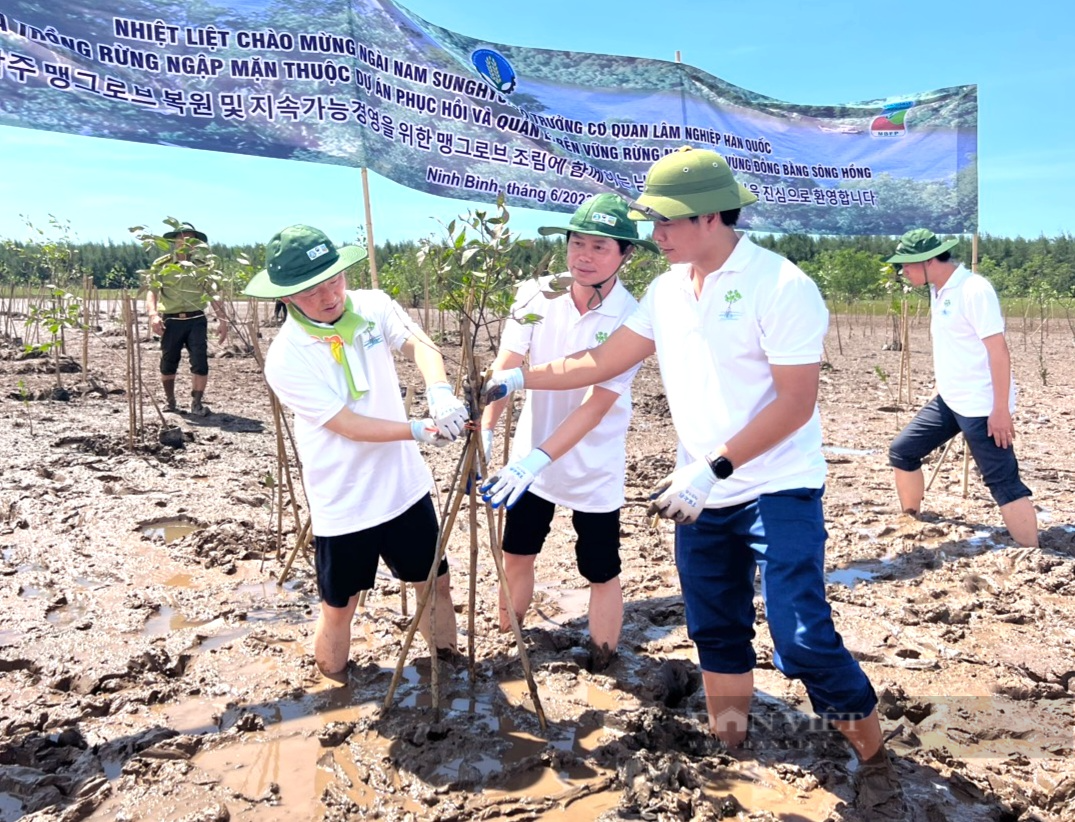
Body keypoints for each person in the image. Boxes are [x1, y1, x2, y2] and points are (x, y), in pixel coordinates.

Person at [483, 147, 904, 816]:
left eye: (665, 224)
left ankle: (874, 756)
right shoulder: (666, 290)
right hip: (699, 494)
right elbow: (600, 360)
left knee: (799, 635)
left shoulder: (782, 285)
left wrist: (712, 469)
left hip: (776, 487)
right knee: (714, 626)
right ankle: (733, 750)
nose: (653, 237)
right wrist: (519, 377)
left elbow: (794, 403)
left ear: (710, 217)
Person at [243, 224, 467, 680]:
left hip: (402, 487)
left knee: (434, 584)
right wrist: (417, 429)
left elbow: (417, 344)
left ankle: (450, 670)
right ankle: (332, 685)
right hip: (343, 499)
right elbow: (347, 425)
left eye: (334, 280)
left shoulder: (372, 306)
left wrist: (439, 388)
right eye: (311, 291)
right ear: (286, 297)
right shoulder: (286, 358)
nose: (329, 296)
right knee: (339, 606)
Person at [479, 193, 657, 672]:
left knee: (601, 568)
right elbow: (507, 366)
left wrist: (540, 457)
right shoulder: (536, 294)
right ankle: (507, 643)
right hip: (528, 463)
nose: (584, 255)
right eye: (577, 243)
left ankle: (605, 659)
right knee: (516, 552)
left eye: (600, 247)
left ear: (626, 254)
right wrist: (488, 430)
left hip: (592, 463)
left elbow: (598, 403)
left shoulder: (632, 316)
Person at [886, 229, 1037, 547]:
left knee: (1003, 483)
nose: (903, 272)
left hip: (982, 405)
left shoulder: (974, 290)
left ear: (928, 261)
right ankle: (910, 519)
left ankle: (1033, 552)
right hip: (950, 401)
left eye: (907, 265)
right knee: (903, 451)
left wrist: (1000, 410)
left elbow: (999, 351)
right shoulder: (938, 290)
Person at [144, 222, 229, 416]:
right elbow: (152, 293)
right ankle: (170, 402)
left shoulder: (202, 268)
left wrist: (223, 321)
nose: (186, 242)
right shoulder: (161, 265)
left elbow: (212, 293)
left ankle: (197, 403)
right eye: (182, 237)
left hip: (196, 319)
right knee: (168, 361)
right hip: (171, 321)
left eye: (191, 239)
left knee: (200, 362)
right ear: (175, 241)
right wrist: (153, 315)